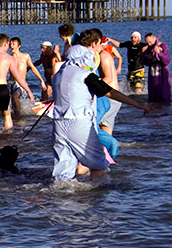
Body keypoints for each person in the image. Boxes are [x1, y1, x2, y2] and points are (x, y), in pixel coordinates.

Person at [51, 29, 149, 182]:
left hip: (58, 125)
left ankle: (61, 202)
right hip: (79, 123)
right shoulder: (85, 75)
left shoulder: (59, 74)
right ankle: (96, 200)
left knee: (63, 172)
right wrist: (137, 104)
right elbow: (110, 92)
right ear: (93, 45)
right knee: (99, 165)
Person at [93, 28, 123, 135]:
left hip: (111, 98)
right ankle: (108, 150)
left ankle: (105, 149)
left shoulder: (103, 56)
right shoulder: (103, 54)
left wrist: (93, 90)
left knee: (95, 126)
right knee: (106, 129)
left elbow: (108, 78)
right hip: (112, 98)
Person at [9, 37, 45, 113]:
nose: (11, 46)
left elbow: (33, 68)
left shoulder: (25, 56)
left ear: (19, 46)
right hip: (10, 83)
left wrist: (41, 80)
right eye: (10, 44)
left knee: (15, 97)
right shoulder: (8, 58)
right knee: (6, 102)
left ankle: (18, 117)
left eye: (13, 44)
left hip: (20, 84)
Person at [140, 32, 171, 104]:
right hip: (152, 76)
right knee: (153, 99)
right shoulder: (148, 48)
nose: (149, 44)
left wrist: (159, 53)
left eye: (150, 42)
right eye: (147, 42)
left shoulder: (163, 46)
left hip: (162, 76)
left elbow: (166, 61)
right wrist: (148, 57)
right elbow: (144, 62)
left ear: (154, 38)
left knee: (163, 96)